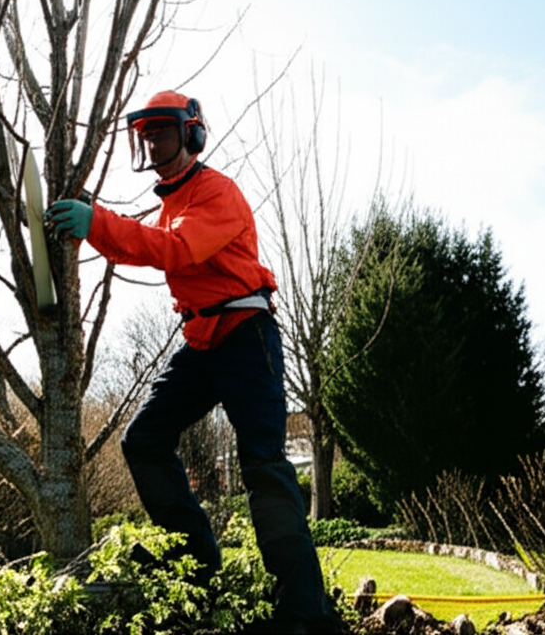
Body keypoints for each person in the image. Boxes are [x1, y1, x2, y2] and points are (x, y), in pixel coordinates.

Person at [46, 91, 333, 633]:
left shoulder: (217, 193)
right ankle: (196, 562)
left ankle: (304, 615)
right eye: (146, 135)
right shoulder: (170, 203)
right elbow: (141, 245)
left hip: (246, 336)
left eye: (163, 132)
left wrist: (97, 222)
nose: (153, 143)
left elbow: (173, 249)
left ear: (192, 134)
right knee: (143, 439)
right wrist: (91, 221)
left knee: (264, 466)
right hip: (202, 341)